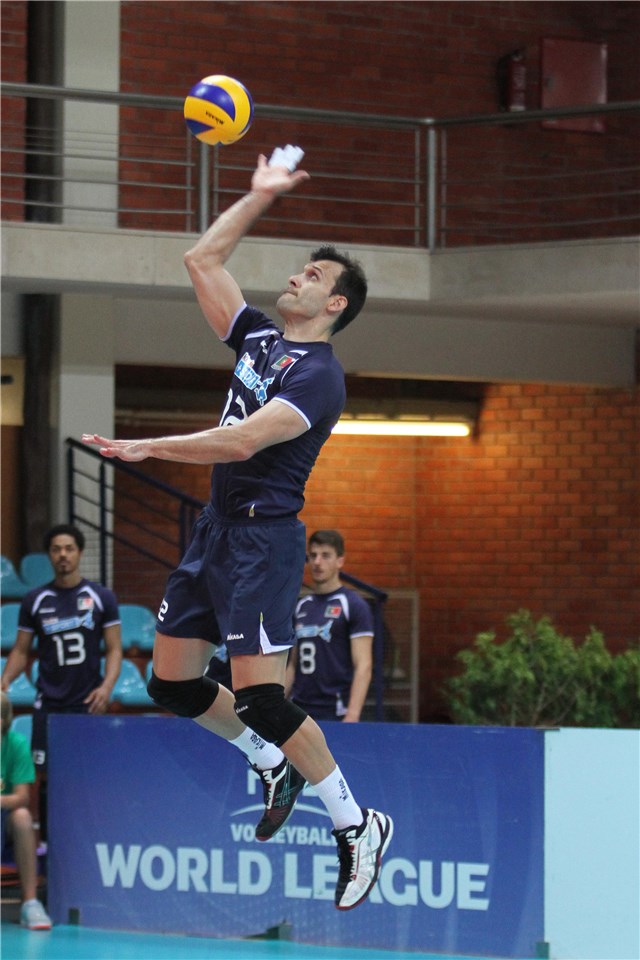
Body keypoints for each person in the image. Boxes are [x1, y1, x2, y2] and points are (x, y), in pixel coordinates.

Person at [81, 147, 393, 912]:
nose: (296, 277)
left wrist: (153, 445)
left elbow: (245, 440)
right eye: (300, 269)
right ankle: (269, 762)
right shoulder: (258, 340)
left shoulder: (319, 377)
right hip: (216, 531)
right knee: (172, 681)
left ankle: (358, 824)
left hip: (264, 542)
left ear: (336, 307)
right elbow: (201, 258)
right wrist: (258, 194)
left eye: (314, 277)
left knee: (262, 698)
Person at [1, 524, 122, 844]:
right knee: (47, 779)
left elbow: (114, 649)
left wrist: (107, 687)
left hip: (88, 704)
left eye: (69, 548)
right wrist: (4, 682)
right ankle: (52, 846)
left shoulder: (100, 597)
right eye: (56, 549)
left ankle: (92, 842)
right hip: (49, 705)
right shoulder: (35, 600)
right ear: (50, 555)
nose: (63, 555)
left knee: (90, 777)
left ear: (79, 553)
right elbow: (21, 650)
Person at [286, 529, 373, 722]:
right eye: (313, 556)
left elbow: (364, 665)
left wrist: (353, 714)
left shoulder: (354, 605)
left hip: (335, 711)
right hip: (298, 710)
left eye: (326, 556)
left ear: (340, 561)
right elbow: (292, 664)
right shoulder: (301, 605)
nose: (317, 562)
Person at [1, 691, 52, 929]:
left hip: (5, 818)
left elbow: (22, 797)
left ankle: (30, 903)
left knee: (22, 818)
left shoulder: (16, 744)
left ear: (4, 721)